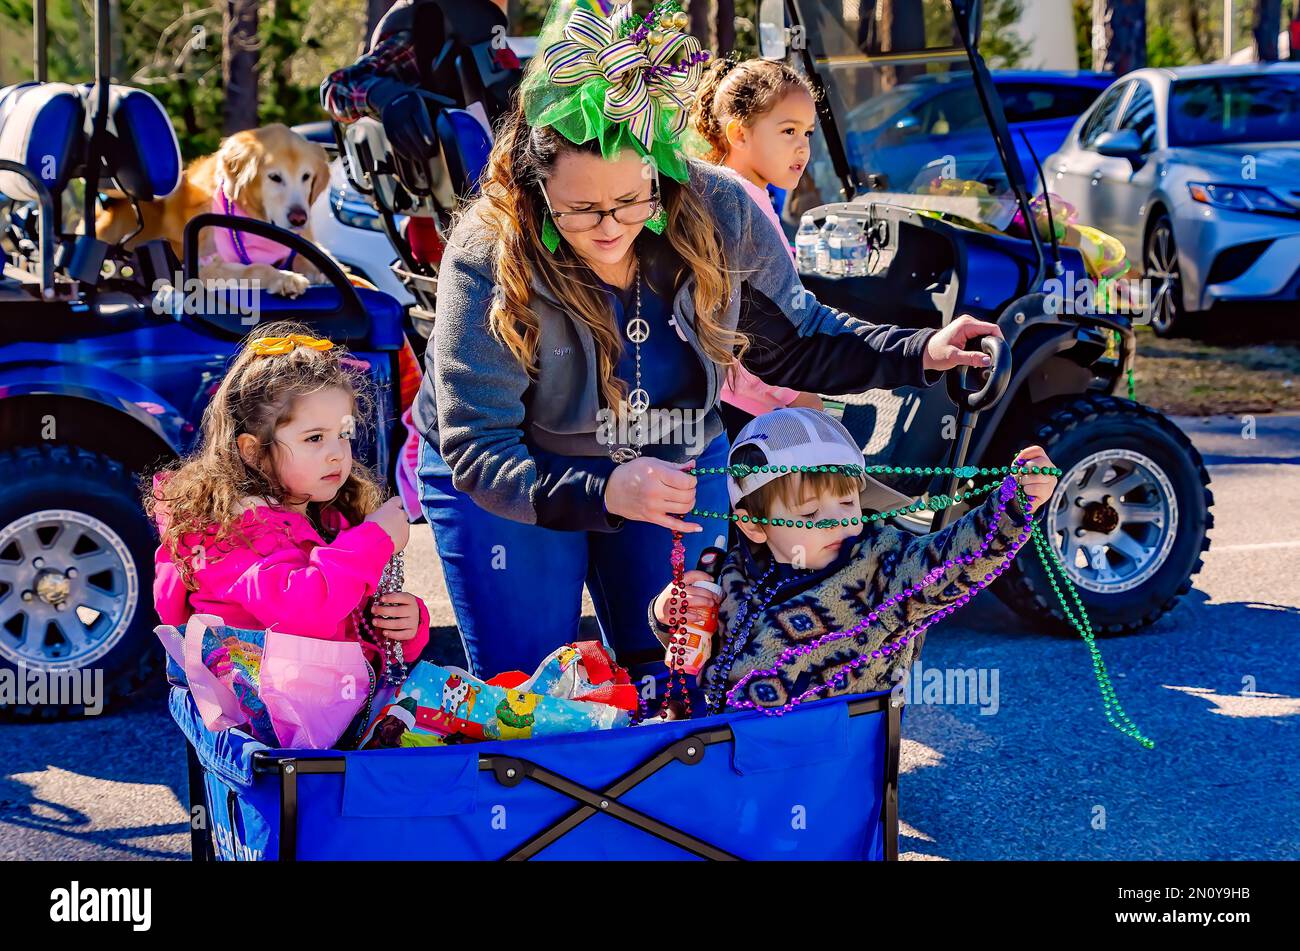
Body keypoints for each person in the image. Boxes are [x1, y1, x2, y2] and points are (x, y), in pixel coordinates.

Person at [413, 0, 1002, 681]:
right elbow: (480, 448)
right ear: (534, 183)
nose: (609, 229)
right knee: (532, 687)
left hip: (670, 454)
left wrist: (919, 351)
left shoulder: (718, 208)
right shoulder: (489, 248)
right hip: (513, 474)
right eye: (579, 209)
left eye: (631, 201)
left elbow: (794, 341)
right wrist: (605, 489)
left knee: (684, 668)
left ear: (662, 169)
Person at [648, 407, 1057, 713]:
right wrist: (669, 613)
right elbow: (694, 648)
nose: (838, 521)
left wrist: (1014, 506)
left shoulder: (883, 565)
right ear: (754, 526)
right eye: (809, 514)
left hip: (820, 767)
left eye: (847, 502)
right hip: (720, 753)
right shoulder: (733, 570)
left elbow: (956, 558)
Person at [148, 321, 431, 679]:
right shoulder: (229, 535)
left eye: (343, 435)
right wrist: (375, 539)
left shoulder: (331, 516)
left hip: (328, 715)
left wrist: (404, 624)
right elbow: (306, 611)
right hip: (263, 727)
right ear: (254, 451)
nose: (337, 454)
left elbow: (351, 628)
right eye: (314, 438)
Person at [690, 55, 824, 440]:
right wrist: (794, 393)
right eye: (788, 131)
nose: (802, 148)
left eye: (808, 133)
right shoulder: (737, 205)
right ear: (739, 134)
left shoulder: (745, 197)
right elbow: (740, 326)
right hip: (746, 411)